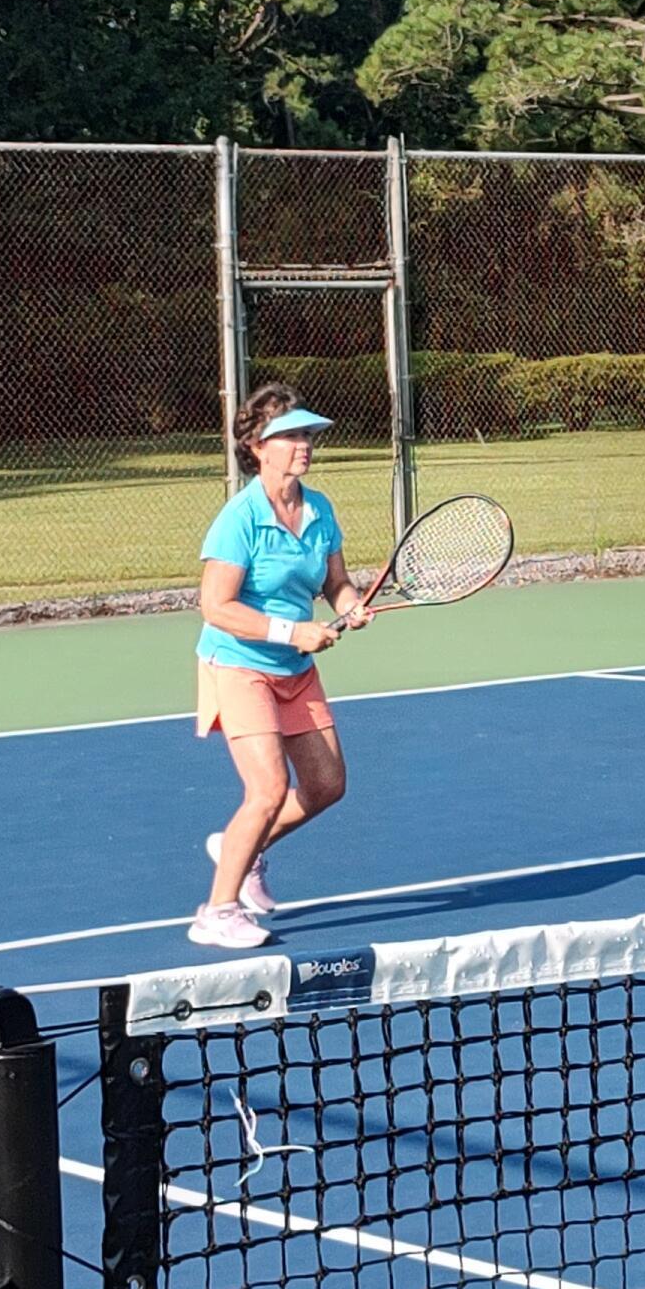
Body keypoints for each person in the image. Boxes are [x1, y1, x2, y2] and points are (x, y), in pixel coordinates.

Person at [187, 386, 370, 949]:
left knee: (326, 786)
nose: (304, 445)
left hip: (295, 669)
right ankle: (216, 912)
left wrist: (348, 604)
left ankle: (247, 845)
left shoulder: (319, 509)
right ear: (256, 446)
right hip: (239, 665)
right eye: (290, 435)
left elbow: (334, 582)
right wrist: (294, 630)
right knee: (267, 788)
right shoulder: (238, 518)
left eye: (307, 434)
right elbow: (215, 606)